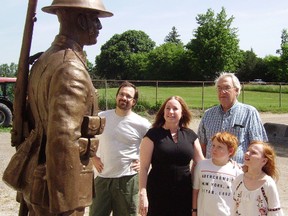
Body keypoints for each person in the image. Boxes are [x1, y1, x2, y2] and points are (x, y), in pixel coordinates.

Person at [4, 0, 113, 215]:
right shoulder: (70, 69)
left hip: (40, 186)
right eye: (95, 19)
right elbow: (63, 143)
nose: (99, 27)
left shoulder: (45, 60)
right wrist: (65, 207)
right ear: (82, 20)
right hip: (56, 194)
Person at [89, 81, 151, 216]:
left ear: (134, 102)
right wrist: (93, 157)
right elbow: (87, 137)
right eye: (121, 94)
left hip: (128, 180)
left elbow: (154, 147)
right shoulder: (101, 117)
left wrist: (143, 161)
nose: (124, 98)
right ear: (117, 96)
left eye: (128, 96)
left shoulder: (142, 124)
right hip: (102, 178)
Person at [138, 96, 205, 216]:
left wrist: (226, 164)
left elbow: (201, 163)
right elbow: (143, 168)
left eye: (175, 109)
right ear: (163, 112)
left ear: (182, 112)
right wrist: (143, 193)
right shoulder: (152, 135)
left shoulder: (190, 135)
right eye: (167, 108)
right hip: (157, 194)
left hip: (184, 194)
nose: (171, 112)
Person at [198, 72, 268, 164]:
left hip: (238, 173)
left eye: (227, 88)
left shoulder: (249, 113)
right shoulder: (208, 114)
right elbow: (201, 146)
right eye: (219, 88)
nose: (222, 92)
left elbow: (258, 146)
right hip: (211, 173)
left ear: (236, 90)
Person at [192, 132, 243, 216]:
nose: (214, 149)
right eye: (213, 145)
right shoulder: (201, 166)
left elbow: (239, 199)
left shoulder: (237, 171)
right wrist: (194, 211)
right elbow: (195, 191)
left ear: (230, 151)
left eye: (220, 147)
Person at [232, 141, 284, 216]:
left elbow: (274, 212)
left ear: (264, 161)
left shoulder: (268, 184)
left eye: (253, 152)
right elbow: (233, 208)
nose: (247, 153)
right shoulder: (239, 179)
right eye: (247, 151)